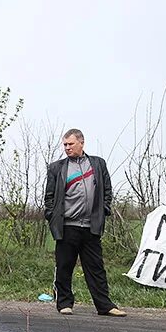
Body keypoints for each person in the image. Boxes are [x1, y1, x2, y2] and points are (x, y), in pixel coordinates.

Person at [43, 128, 126, 317]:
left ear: (81, 142)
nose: (67, 148)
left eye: (70, 144)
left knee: (96, 268)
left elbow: (107, 190)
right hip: (67, 227)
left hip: (91, 226)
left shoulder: (97, 164)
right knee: (64, 267)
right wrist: (51, 215)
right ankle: (64, 303)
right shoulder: (56, 168)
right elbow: (49, 197)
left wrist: (104, 210)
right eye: (64, 144)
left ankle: (105, 306)